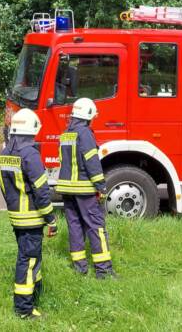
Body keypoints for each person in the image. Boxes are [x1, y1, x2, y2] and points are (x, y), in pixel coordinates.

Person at [0, 109, 58, 319]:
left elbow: (4, 188)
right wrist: (51, 218)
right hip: (32, 218)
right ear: (33, 129)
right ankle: (23, 309)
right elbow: (41, 190)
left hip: (16, 216)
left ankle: (35, 294)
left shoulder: (5, 153)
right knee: (29, 260)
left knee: (31, 257)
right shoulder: (30, 153)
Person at [56, 98, 116, 278]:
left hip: (66, 190)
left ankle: (79, 268)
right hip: (84, 189)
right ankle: (104, 271)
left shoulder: (66, 133)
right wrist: (101, 186)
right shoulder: (85, 133)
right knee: (96, 227)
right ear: (88, 115)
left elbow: (62, 161)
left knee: (75, 226)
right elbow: (92, 161)